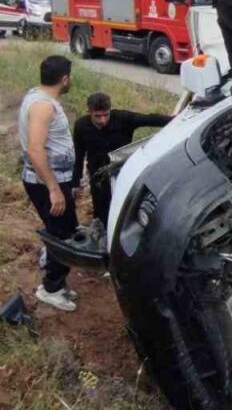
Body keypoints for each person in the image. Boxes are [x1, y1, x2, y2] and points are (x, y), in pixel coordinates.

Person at [19, 55, 78, 312]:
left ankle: (57, 282)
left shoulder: (38, 97)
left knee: (62, 230)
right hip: (46, 183)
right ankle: (50, 289)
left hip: (51, 181)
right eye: (70, 77)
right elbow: (35, 149)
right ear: (64, 79)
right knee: (63, 236)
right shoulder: (43, 106)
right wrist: (54, 189)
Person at [72, 92, 172, 224]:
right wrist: (75, 183)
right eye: (97, 116)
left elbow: (150, 118)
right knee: (102, 211)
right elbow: (78, 156)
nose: (102, 120)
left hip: (123, 173)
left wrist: (178, 120)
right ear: (89, 112)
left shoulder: (123, 118)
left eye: (105, 115)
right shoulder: (81, 126)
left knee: (125, 208)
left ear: (110, 110)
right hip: (98, 176)